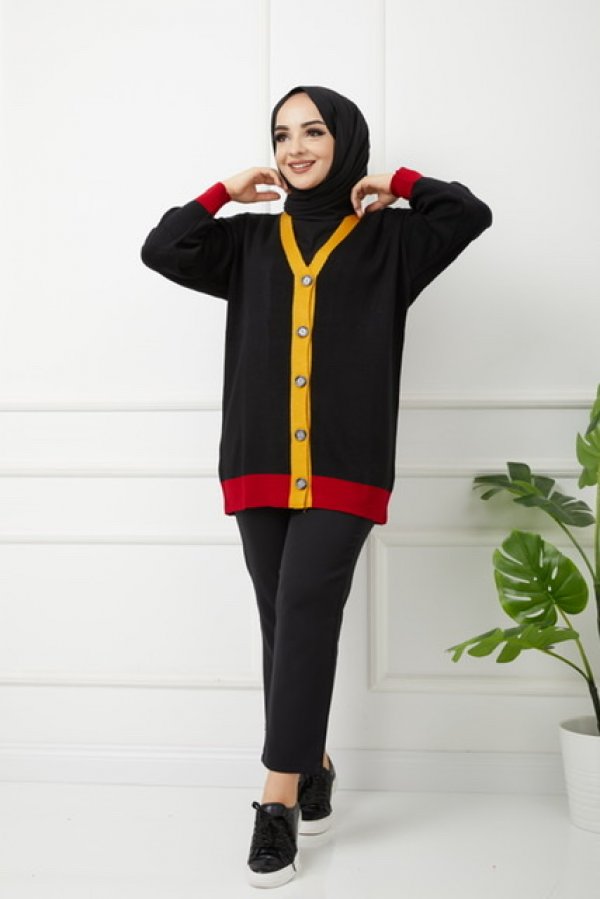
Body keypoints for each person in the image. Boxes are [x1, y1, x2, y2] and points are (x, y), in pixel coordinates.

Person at [140, 84, 492, 888]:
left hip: (346, 462)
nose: (294, 147)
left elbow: (468, 214)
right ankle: (316, 761)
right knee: (282, 617)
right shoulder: (248, 242)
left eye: (313, 131)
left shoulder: (392, 242)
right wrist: (223, 192)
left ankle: (278, 798)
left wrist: (397, 181)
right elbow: (163, 248)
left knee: (302, 604)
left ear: (346, 141)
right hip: (258, 459)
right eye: (281, 135)